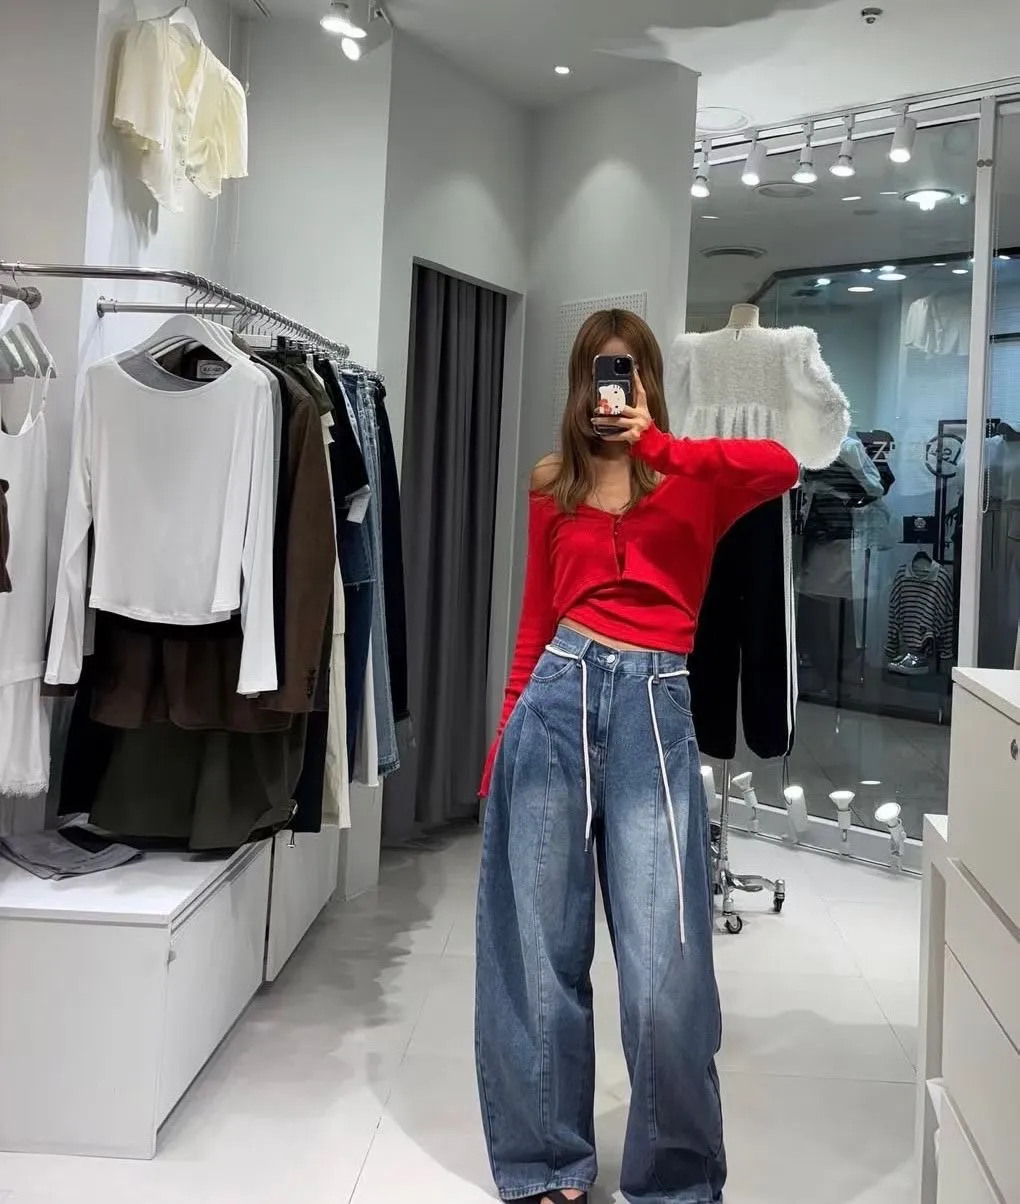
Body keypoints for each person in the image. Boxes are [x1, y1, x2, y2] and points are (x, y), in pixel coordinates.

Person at [474, 309, 800, 1204]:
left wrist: (659, 442)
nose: (609, 389)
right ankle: (546, 1164)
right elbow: (535, 621)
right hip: (554, 697)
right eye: (596, 371)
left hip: (656, 705)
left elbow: (783, 465)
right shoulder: (554, 482)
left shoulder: (694, 478)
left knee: (666, 965)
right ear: (579, 384)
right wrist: (501, 745)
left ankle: (676, 1179)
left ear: (649, 378)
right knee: (537, 951)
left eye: (625, 370)